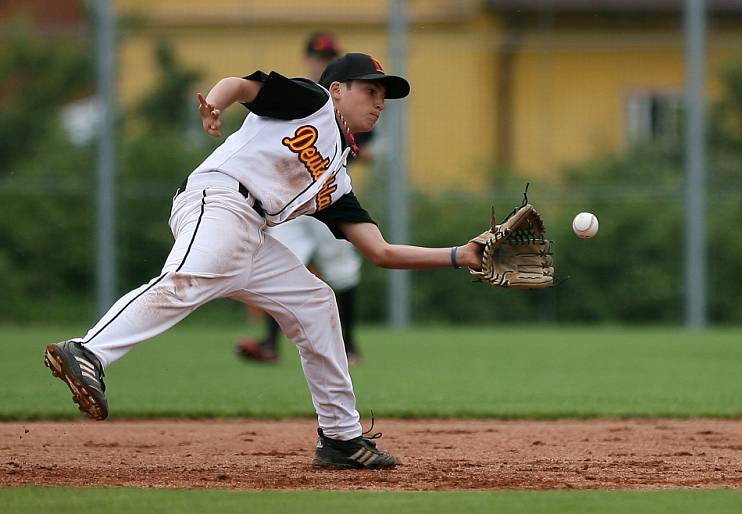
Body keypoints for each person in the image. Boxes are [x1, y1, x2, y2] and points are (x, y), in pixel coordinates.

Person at [43, 52, 481, 469]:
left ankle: (341, 438)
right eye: (370, 90)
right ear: (337, 90)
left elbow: (380, 251)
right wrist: (214, 104)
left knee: (316, 303)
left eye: (384, 96)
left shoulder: (336, 179)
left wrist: (459, 255)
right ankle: (87, 352)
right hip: (218, 199)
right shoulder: (311, 102)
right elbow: (241, 86)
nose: (380, 102)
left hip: (249, 233)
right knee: (186, 279)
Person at [236, 32, 368, 365]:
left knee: (343, 269)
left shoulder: (349, 104)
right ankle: (269, 343)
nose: (322, 62)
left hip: (328, 199)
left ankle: (349, 344)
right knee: (282, 263)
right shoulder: (300, 95)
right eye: (319, 56)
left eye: (329, 57)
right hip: (289, 204)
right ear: (308, 59)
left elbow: (365, 143)